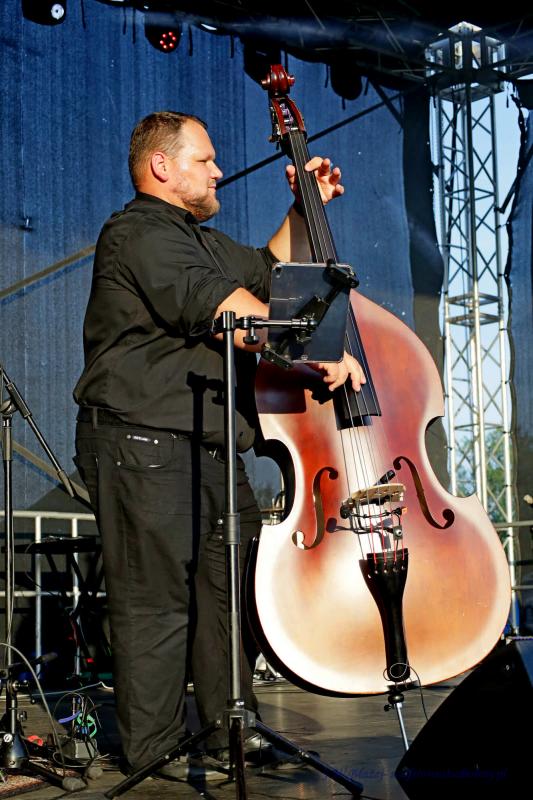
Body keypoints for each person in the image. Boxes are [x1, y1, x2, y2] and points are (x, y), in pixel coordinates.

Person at [73, 111, 364, 781]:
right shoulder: (138, 233)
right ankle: (153, 752)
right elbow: (228, 311)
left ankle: (229, 730)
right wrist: (318, 350)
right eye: (204, 160)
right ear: (161, 166)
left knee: (227, 597)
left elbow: (266, 274)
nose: (218, 171)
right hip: (143, 441)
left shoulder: (198, 240)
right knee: (156, 606)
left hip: (208, 443)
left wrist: (306, 205)